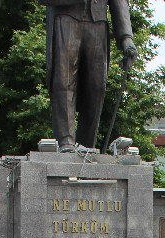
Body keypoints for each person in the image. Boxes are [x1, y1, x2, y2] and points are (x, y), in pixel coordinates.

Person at [43, 0, 136, 151]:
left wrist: (126, 37)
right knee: (64, 81)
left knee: (97, 86)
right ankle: (66, 141)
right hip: (66, 17)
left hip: (98, 22)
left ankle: (86, 145)